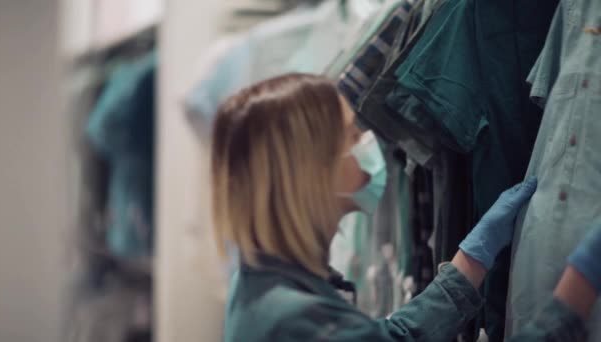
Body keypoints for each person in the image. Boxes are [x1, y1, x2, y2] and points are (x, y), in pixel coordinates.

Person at [211, 73, 601, 341]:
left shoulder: (258, 282)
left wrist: (469, 262)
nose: (368, 143)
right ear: (309, 171)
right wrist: (573, 296)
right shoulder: (294, 321)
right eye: (351, 135)